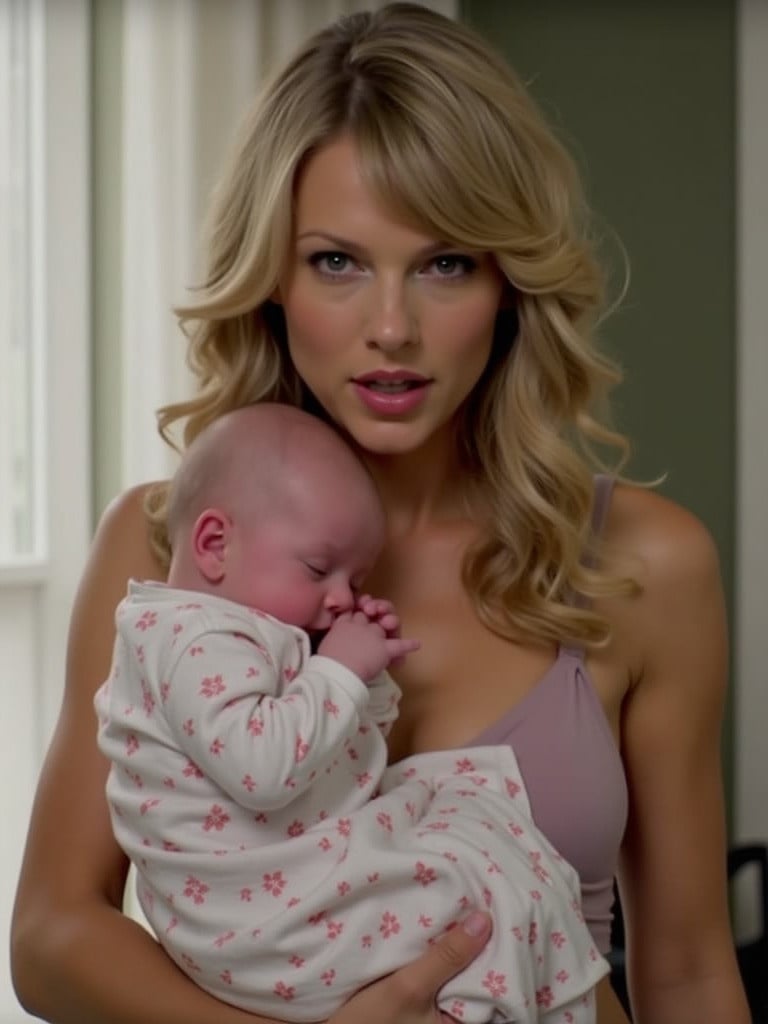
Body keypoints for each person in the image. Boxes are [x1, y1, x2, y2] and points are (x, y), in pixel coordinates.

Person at [10, 3, 750, 1023]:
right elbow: (53, 934)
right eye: (337, 262)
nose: (392, 328)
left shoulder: (642, 563)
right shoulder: (162, 544)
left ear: (506, 283)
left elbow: (689, 972)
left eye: (445, 262)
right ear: (272, 278)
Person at [95, 400, 607, 1023]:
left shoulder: (240, 628)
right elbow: (262, 766)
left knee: (467, 821)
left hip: (273, 892)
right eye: (319, 568)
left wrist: (370, 676)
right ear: (213, 543)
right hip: (259, 925)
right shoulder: (191, 638)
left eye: (355, 580)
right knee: (470, 867)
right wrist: (339, 668)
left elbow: (341, 755)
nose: (340, 597)